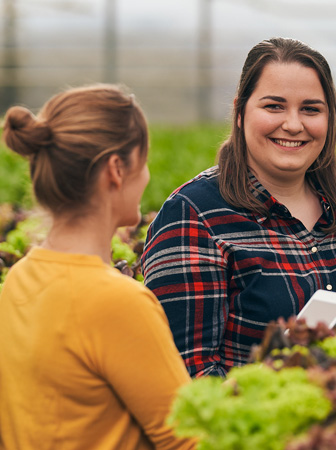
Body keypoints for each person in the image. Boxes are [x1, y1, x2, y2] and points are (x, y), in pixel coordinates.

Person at [142, 37, 336, 378]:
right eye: (274, 106)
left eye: (310, 109)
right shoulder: (193, 215)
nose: (293, 124)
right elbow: (188, 373)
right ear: (241, 113)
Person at [0, 85, 195, 450]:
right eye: (145, 161)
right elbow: (189, 437)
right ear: (116, 169)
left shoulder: (20, 278)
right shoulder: (119, 302)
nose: (148, 175)